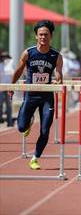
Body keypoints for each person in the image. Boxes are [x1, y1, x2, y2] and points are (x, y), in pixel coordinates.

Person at [9, 20, 63, 170]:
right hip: (31, 95)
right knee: (21, 128)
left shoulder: (56, 55)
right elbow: (19, 71)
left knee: (45, 130)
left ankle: (35, 158)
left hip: (47, 97)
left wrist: (58, 81)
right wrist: (11, 86)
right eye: (40, 35)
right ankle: (29, 120)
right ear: (36, 36)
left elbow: (58, 74)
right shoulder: (28, 53)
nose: (43, 37)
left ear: (51, 36)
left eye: (46, 35)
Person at [0, 50, 13, 127]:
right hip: (1, 87)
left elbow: (12, 76)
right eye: (3, 57)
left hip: (8, 87)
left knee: (9, 105)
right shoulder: (1, 65)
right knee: (0, 104)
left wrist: (12, 86)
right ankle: (1, 118)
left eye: (6, 57)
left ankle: (9, 122)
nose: (5, 58)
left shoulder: (10, 65)